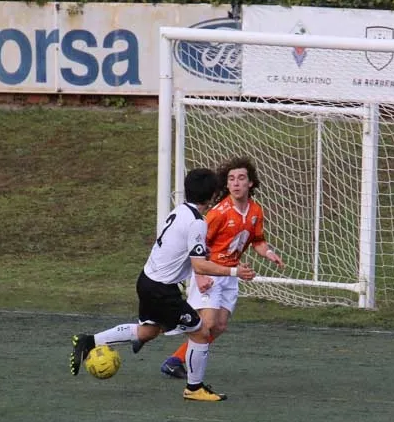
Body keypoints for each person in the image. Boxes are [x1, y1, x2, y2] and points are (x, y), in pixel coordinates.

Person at [69, 167, 257, 401]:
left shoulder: (180, 210)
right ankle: (194, 388)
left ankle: (89, 341)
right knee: (201, 332)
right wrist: (235, 271)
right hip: (161, 290)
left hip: (147, 280)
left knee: (147, 331)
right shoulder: (197, 222)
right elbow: (199, 266)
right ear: (212, 196)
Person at [159, 156, 284, 379]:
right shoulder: (218, 213)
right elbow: (197, 247)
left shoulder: (255, 211)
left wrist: (269, 253)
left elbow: (258, 241)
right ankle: (174, 338)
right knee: (207, 324)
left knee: (219, 327)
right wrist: (199, 276)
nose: (236, 183)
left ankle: (174, 360)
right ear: (226, 184)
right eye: (231, 179)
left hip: (231, 275)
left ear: (250, 183)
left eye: (241, 178)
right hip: (211, 273)